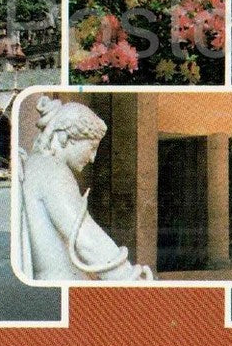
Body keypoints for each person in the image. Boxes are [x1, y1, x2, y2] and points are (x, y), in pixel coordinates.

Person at [19, 96, 154, 281]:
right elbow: (85, 239)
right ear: (66, 137)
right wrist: (128, 277)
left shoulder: (40, 165)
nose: (92, 158)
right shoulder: (52, 170)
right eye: (91, 147)